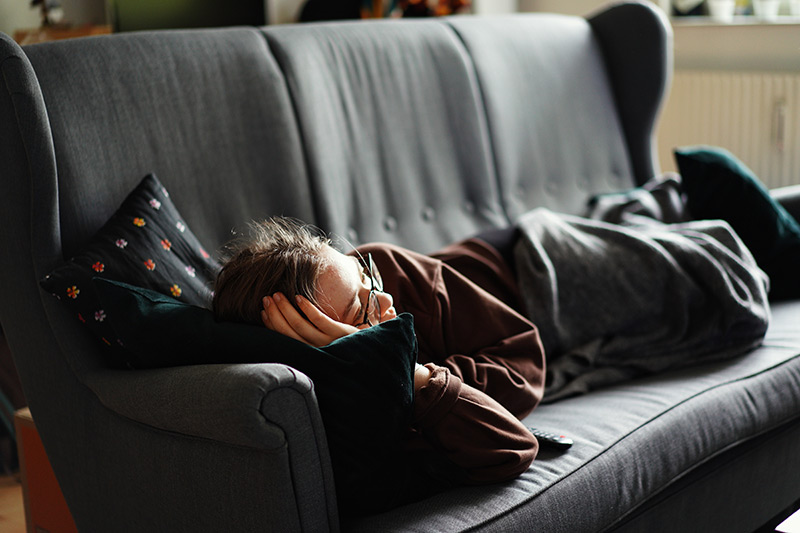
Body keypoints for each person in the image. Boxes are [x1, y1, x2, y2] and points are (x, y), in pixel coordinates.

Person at [212, 217, 546, 491]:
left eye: (364, 275)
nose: (385, 300)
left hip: (529, 258)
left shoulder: (387, 267)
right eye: (361, 308)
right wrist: (401, 369)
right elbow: (513, 448)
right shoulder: (353, 409)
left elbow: (524, 364)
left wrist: (417, 373)